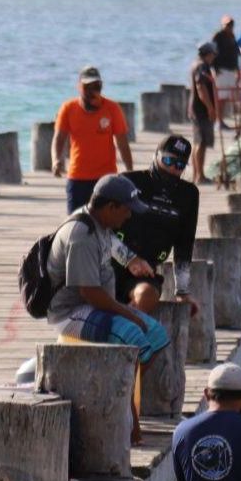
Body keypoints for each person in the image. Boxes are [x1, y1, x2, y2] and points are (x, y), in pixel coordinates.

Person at [47, 174, 171, 441]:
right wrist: (128, 313)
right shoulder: (81, 234)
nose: (128, 216)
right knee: (136, 339)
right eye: (126, 210)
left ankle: (125, 398)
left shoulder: (101, 225)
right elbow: (89, 293)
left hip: (97, 307)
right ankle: (127, 415)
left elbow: (116, 254)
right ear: (110, 207)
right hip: (72, 312)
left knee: (157, 335)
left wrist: (132, 263)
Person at [114, 134, 200, 314]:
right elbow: (100, 231)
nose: (172, 168)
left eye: (180, 165)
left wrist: (182, 291)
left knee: (147, 295)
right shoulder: (128, 181)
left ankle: (126, 327)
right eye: (168, 160)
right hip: (107, 264)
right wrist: (129, 259)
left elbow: (185, 245)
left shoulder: (189, 194)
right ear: (156, 155)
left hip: (146, 274)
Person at [52, 66, 134, 213]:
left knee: (107, 226)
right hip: (77, 177)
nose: (92, 91)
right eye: (87, 87)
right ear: (79, 87)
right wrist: (56, 160)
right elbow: (59, 138)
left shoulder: (112, 108)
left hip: (106, 178)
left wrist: (129, 171)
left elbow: (122, 142)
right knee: (75, 225)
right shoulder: (68, 108)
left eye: (96, 86)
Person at [189, 43, 218, 185]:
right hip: (201, 110)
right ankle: (199, 175)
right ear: (208, 53)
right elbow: (201, 87)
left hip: (196, 109)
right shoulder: (202, 66)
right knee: (201, 142)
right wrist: (210, 108)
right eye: (213, 54)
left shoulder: (196, 64)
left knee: (197, 142)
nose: (214, 57)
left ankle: (197, 174)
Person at [211, 15, 239, 128]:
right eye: (227, 25)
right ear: (223, 25)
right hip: (221, 70)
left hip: (231, 69)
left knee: (226, 96)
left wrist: (237, 69)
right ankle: (218, 120)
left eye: (231, 25)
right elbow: (212, 52)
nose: (229, 27)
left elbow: (235, 53)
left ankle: (220, 119)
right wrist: (214, 68)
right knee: (220, 96)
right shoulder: (218, 36)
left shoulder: (232, 36)